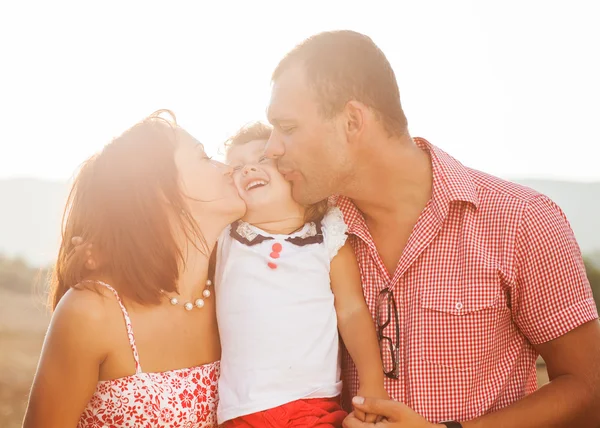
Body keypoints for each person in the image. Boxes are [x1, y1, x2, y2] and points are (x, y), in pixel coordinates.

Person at [263, 30, 600, 427]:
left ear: (353, 121)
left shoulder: (521, 219)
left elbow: (589, 386)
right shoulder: (301, 233)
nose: (271, 148)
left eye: (287, 127)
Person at [23, 111, 245, 428]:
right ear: (160, 191)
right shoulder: (93, 312)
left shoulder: (237, 295)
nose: (229, 169)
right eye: (205, 157)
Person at [215, 122, 387, 427]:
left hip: (313, 403)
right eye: (236, 168)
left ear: (292, 170)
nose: (248, 170)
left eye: (261, 159)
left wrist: (372, 382)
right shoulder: (226, 237)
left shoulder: (327, 234)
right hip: (242, 409)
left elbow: (350, 310)